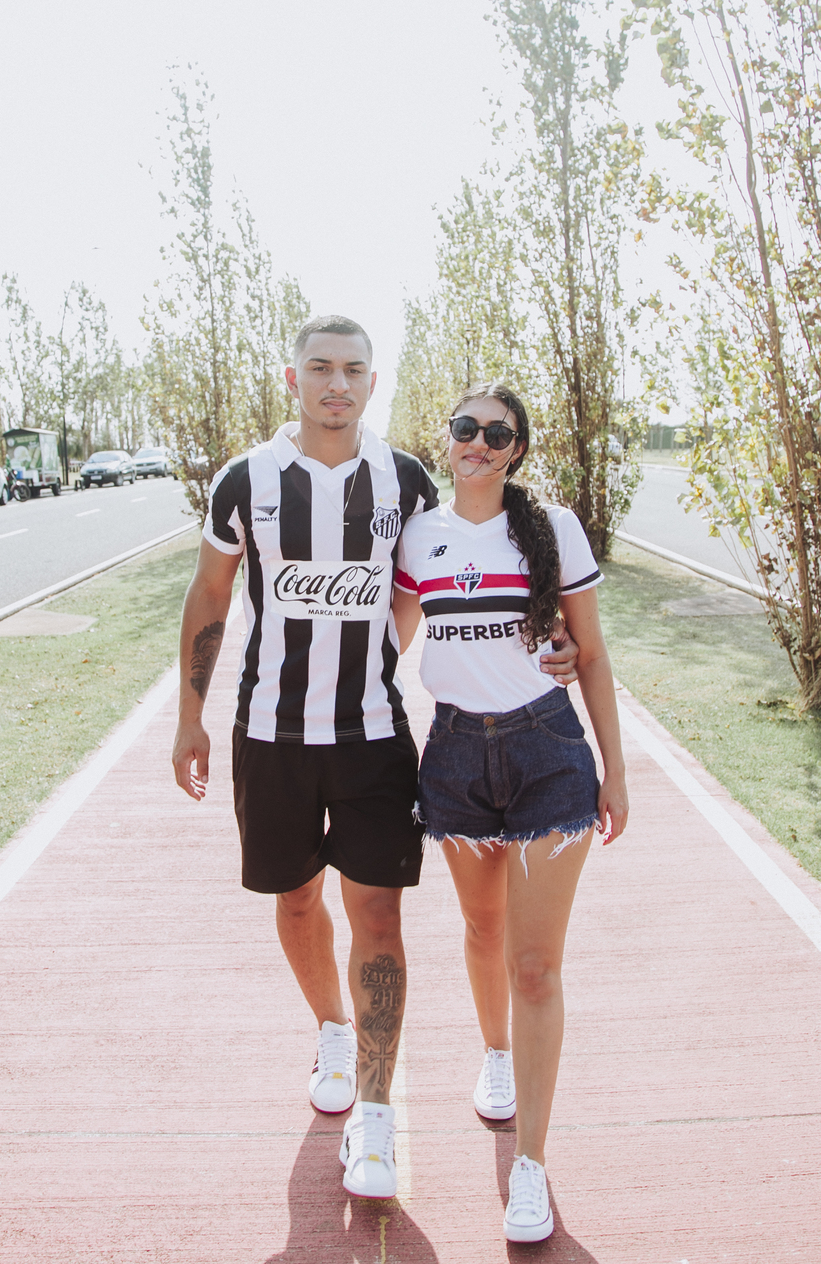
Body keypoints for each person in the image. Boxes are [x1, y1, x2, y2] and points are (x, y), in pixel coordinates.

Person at [171, 321, 579, 1201]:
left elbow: (463, 567)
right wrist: (189, 718)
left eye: (352, 369)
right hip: (270, 735)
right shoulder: (246, 479)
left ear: (371, 381)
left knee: (381, 922)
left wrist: (552, 639)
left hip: (372, 737)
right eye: (320, 368)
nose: (336, 383)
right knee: (295, 901)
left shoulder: (407, 480)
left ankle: (377, 1112)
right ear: (294, 379)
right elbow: (209, 593)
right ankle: (330, 1026)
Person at [394, 381, 628, 1242]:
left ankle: (530, 1165)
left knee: (534, 965)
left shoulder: (552, 529)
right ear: (448, 436)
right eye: (467, 428)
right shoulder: (419, 536)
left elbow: (589, 653)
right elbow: (389, 638)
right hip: (455, 754)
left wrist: (615, 771)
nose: (479, 443)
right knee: (483, 930)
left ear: (518, 448)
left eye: (498, 433)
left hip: (547, 754)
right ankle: (495, 1054)